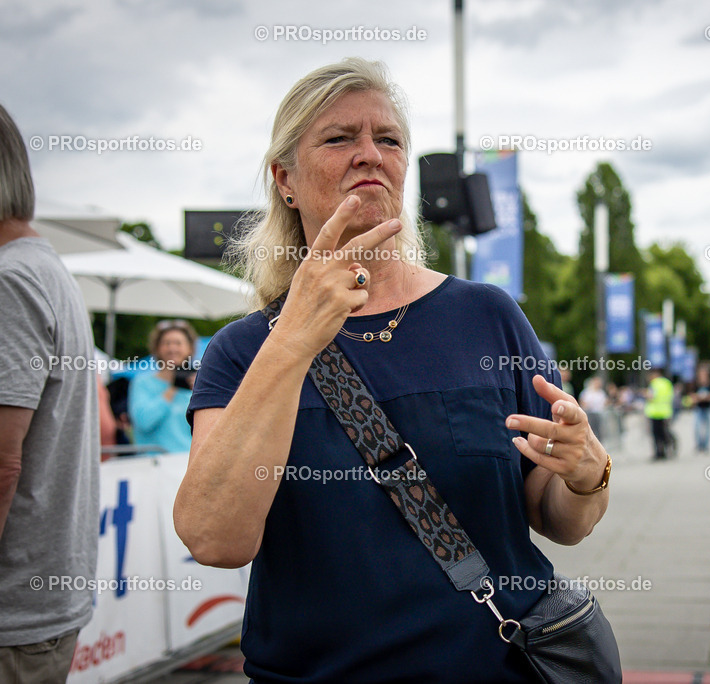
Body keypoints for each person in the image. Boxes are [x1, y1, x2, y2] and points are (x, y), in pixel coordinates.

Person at [173, 59, 611, 683]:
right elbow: (214, 540)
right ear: (285, 179)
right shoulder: (243, 350)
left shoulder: (486, 315)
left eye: (389, 140)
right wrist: (295, 335)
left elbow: (557, 520)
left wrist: (586, 475)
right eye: (338, 138)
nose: (369, 155)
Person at [0, 104, 100, 681]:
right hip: (40, 604)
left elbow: (1, 461)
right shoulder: (44, 267)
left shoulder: (12, 278)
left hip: (13, 614)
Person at [128, 319, 198, 453]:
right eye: (167, 343)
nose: (172, 348)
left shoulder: (198, 386)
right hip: (152, 465)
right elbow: (144, 422)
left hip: (187, 463)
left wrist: (201, 392)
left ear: (189, 349)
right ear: (157, 349)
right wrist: (173, 388)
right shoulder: (141, 383)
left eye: (178, 343)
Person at [689, 367, 710, 453]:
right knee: (697, 427)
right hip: (698, 408)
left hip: (708, 408)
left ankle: (705, 445)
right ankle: (699, 445)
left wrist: (707, 397)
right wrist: (701, 397)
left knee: (707, 428)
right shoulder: (695, 385)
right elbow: (692, 398)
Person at [645, 367, 674, 460]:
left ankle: (659, 452)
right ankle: (667, 447)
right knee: (664, 432)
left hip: (655, 412)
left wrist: (644, 395)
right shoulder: (667, 383)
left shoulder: (654, 384)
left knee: (656, 434)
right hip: (666, 411)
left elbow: (651, 396)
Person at [579, 376, 609, 441]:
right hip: (590, 413)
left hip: (599, 413)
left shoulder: (601, 393)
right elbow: (583, 402)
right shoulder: (587, 392)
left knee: (598, 429)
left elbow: (605, 402)